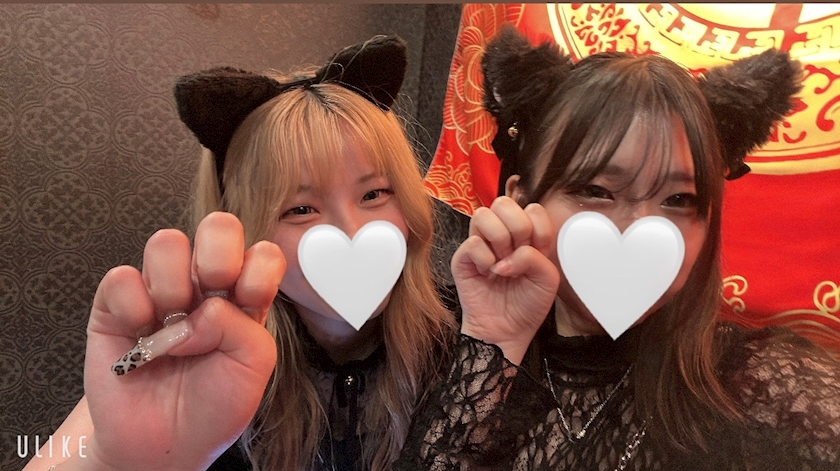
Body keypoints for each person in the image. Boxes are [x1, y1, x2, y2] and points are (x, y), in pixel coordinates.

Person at [395, 26, 840, 470]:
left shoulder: (765, 385)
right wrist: (496, 344)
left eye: (679, 200)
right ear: (521, 200)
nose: (640, 229)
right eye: (596, 191)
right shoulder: (431, 349)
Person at [24, 35, 455, 471]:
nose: (352, 231)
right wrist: (118, 462)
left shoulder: (468, 336)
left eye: (375, 194)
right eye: (300, 209)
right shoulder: (191, 347)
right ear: (242, 228)